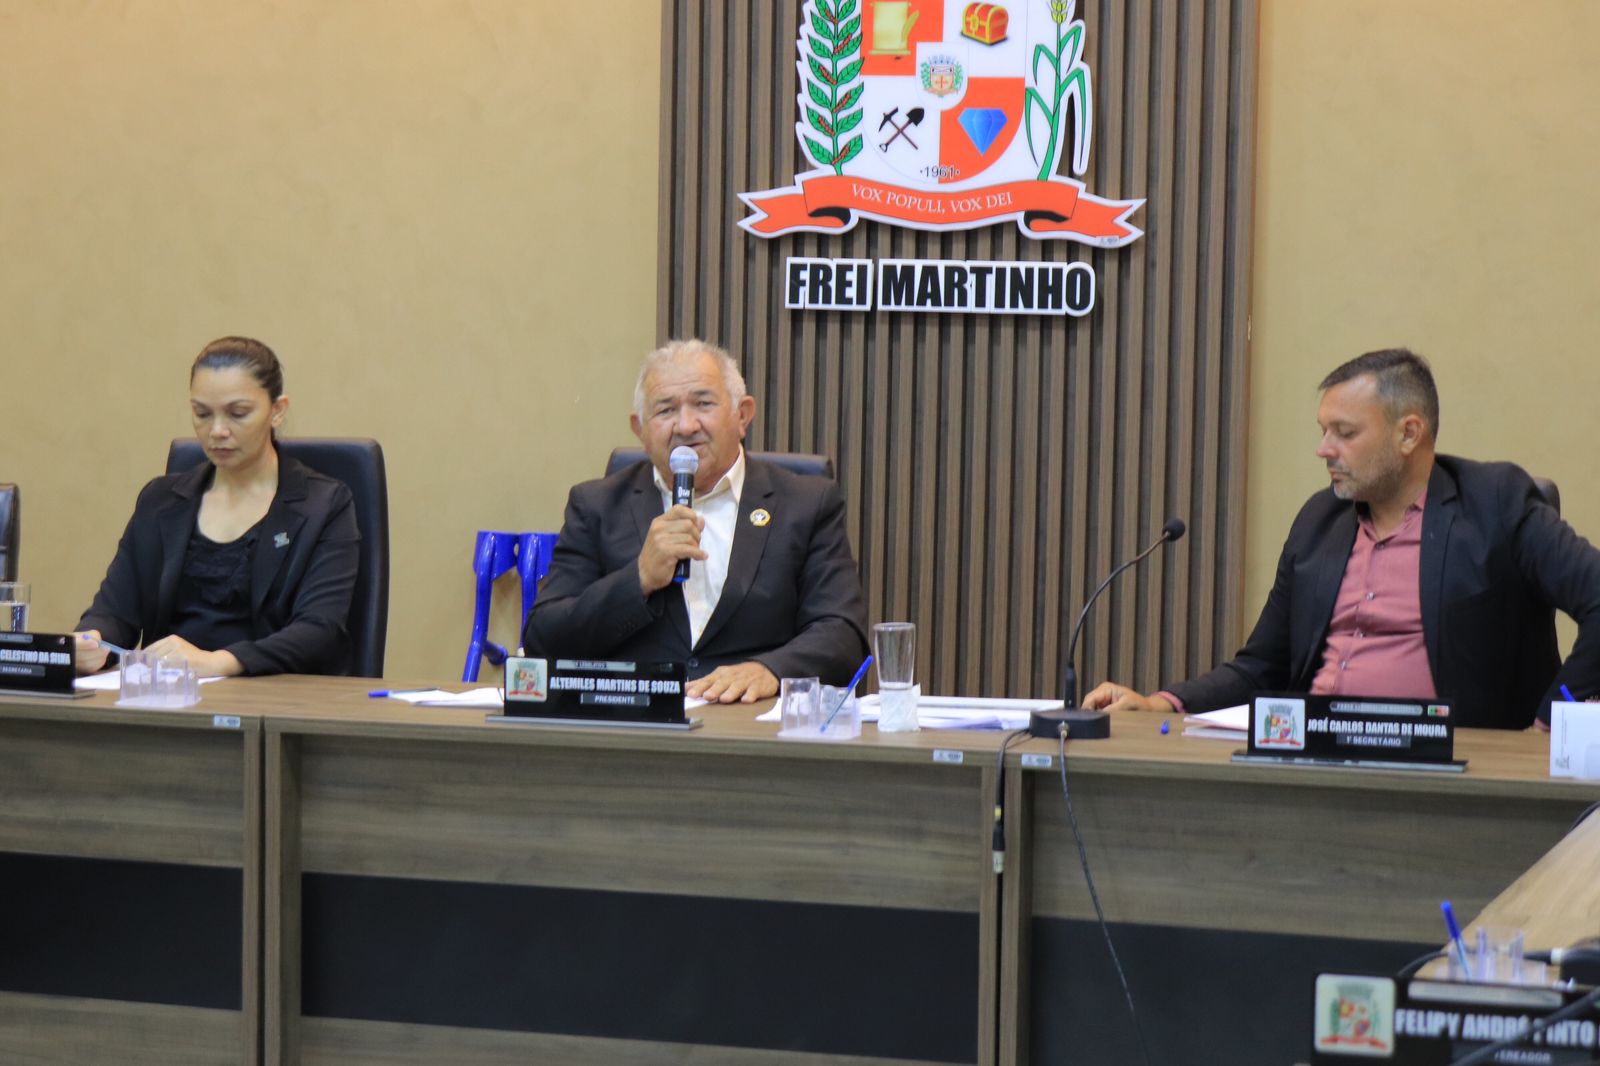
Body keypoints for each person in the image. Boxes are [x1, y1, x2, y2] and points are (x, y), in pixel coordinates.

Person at [1084, 348, 1600, 729]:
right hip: (1315, 758)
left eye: (1345, 433)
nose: (1324, 449)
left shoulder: (1496, 504)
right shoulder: (1320, 521)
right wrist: (1163, 703)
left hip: (1449, 773)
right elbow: (1262, 666)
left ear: (1409, 433)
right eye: (1323, 430)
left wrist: (1555, 723)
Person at [523, 339, 869, 703]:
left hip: (752, 722)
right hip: (636, 723)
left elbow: (843, 634)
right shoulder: (597, 506)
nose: (686, 426)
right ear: (639, 429)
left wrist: (770, 670)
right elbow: (544, 639)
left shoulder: (805, 504)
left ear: (742, 415)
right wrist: (637, 579)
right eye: (665, 410)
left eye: (703, 404)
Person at [75, 337, 359, 677]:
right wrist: (92, 640)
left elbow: (319, 631)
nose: (217, 431)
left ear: (277, 410)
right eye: (202, 414)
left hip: (271, 693)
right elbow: (114, 611)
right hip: (168, 695)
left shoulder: (323, 505)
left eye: (238, 414)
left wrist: (216, 662)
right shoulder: (160, 501)